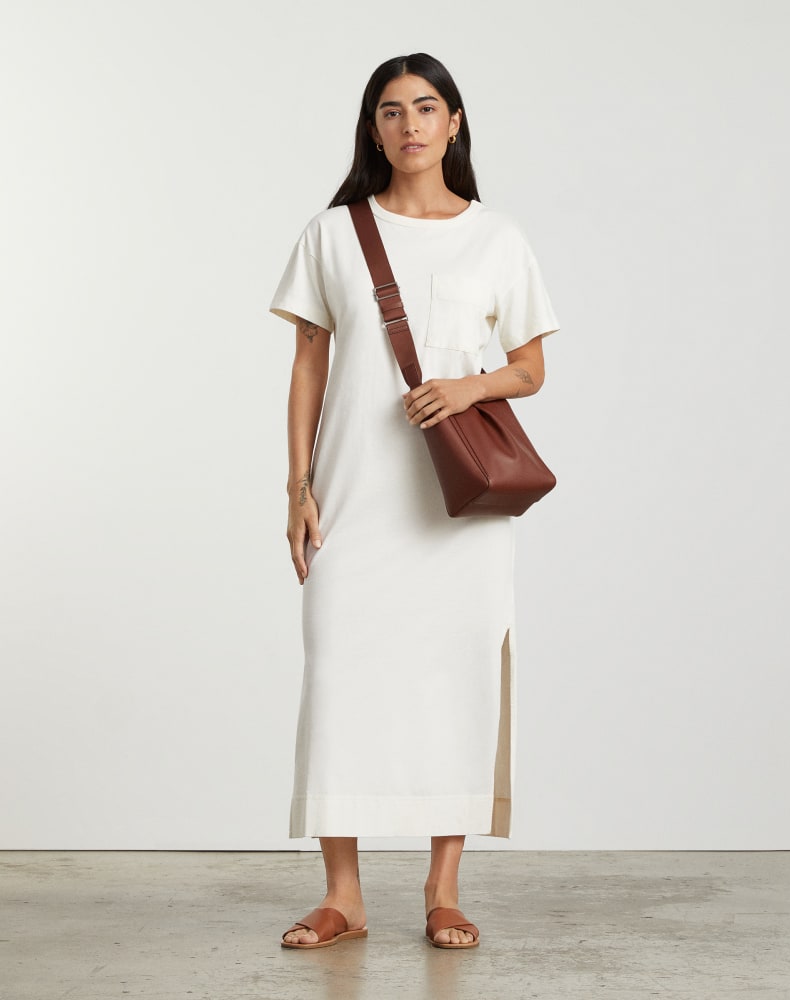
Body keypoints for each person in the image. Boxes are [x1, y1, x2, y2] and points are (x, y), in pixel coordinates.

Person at [269, 52, 559, 951]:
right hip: (355, 495)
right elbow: (308, 365)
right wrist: (298, 487)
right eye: (391, 112)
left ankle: (444, 888)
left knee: (455, 681)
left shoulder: (497, 237)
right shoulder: (333, 234)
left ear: (454, 122)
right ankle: (343, 894)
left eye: (426, 108)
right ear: (373, 129)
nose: (409, 126)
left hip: (458, 513)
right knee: (339, 676)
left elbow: (531, 369)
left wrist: (469, 387)